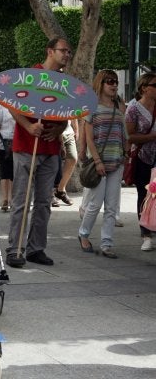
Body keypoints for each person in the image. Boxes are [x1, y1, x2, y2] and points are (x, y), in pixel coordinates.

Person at [5, 37, 70, 268]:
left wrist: (60, 128)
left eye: (68, 52)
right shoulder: (31, 75)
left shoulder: (64, 81)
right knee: (21, 200)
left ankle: (36, 248)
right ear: (50, 51)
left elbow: (67, 113)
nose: (67, 55)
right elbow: (11, 104)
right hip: (26, 147)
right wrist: (28, 126)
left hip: (50, 149)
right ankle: (15, 249)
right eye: (63, 51)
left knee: (43, 202)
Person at [78, 70, 126, 259]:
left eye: (115, 82)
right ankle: (83, 234)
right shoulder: (91, 106)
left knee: (112, 207)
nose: (114, 85)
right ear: (101, 83)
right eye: (109, 82)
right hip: (99, 160)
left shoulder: (119, 105)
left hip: (117, 159)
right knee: (95, 203)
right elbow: (89, 137)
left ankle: (107, 243)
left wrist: (126, 152)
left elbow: (123, 131)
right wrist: (96, 160)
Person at [125, 71, 156, 252]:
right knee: (144, 196)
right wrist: (152, 136)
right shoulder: (134, 108)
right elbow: (131, 136)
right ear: (144, 88)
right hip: (142, 157)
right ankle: (145, 234)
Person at [0, 103, 15, 212]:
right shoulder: (0, 106)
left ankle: (12, 199)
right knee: (5, 172)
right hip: (3, 145)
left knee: (15, 173)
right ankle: (5, 199)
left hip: (17, 144)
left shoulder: (19, 105)